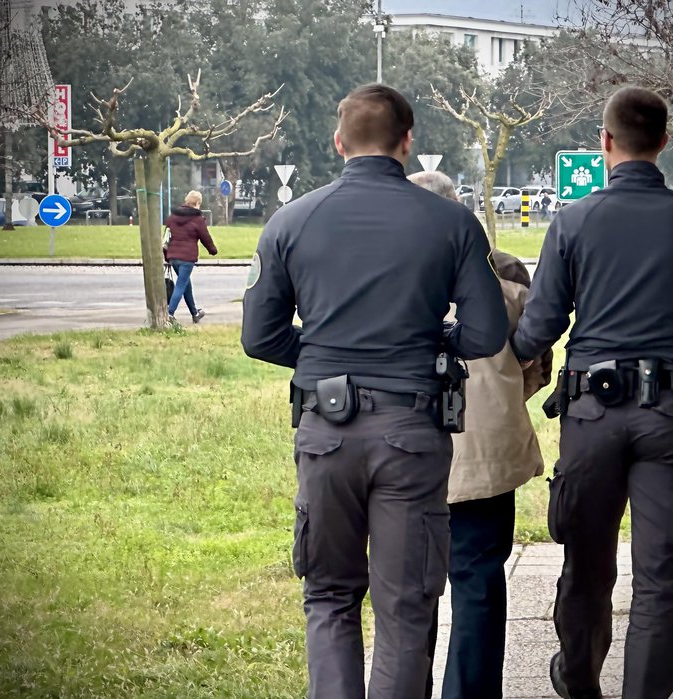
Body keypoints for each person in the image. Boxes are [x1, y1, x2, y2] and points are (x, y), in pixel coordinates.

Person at [240, 84, 508, 699]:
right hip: (412, 433)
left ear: (339, 143)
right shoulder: (452, 223)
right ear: (408, 143)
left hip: (324, 432)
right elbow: (488, 332)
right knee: (406, 605)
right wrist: (433, 340)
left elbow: (259, 337)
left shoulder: (291, 219)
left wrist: (322, 358)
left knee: (330, 595)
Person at [510, 86, 673, 699]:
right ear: (664, 143)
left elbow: (540, 325)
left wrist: (504, 359)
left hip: (591, 415)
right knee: (661, 580)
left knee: (586, 566)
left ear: (605, 142)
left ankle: (579, 682)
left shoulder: (573, 221)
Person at [408, 170, 552, 699]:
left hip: (404, 450)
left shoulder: (382, 267)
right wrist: (504, 397)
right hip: (485, 451)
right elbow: (537, 360)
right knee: (479, 586)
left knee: (410, 590)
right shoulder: (505, 270)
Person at [163, 190, 217, 324]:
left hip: (173, 257)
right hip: (187, 258)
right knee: (181, 285)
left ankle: (195, 313)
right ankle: (169, 313)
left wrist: (167, 256)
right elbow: (205, 237)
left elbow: (166, 238)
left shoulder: (173, 217)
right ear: (197, 203)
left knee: (186, 284)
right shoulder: (197, 219)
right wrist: (213, 250)